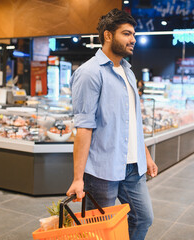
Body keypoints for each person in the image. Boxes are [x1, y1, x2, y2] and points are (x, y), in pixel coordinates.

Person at [66, 8, 158, 240]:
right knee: (101, 229)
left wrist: (145, 155)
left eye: (133, 34)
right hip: (102, 170)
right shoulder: (89, 73)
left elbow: (133, 121)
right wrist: (78, 179)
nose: (133, 40)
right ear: (108, 36)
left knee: (143, 218)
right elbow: (84, 128)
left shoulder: (127, 71)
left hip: (132, 167)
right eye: (126, 34)